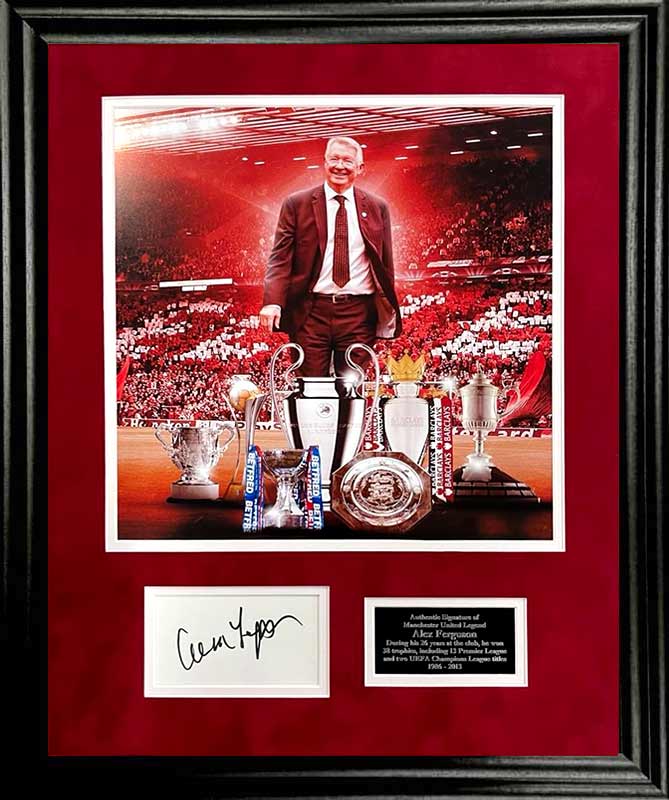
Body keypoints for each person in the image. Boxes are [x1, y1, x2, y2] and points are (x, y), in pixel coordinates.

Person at [259, 136, 401, 377]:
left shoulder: (377, 207)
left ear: (360, 168)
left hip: (359, 314)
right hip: (311, 313)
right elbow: (280, 257)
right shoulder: (297, 204)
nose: (339, 166)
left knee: (350, 388)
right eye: (334, 159)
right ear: (324, 163)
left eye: (347, 161)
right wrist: (273, 301)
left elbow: (385, 263)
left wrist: (385, 306)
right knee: (311, 388)